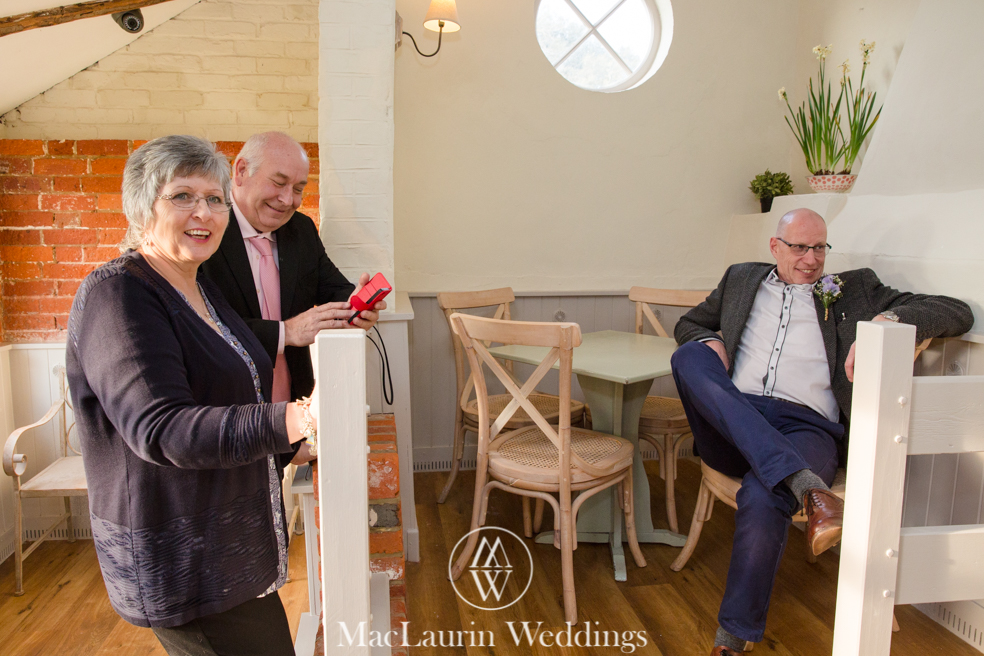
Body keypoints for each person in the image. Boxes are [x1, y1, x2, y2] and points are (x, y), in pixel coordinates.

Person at [670, 208, 974, 656]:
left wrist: (889, 321)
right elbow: (690, 323)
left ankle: (730, 641)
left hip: (807, 426)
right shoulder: (741, 279)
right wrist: (707, 338)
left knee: (762, 494)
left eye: (820, 247)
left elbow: (957, 311)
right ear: (775, 247)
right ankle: (806, 484)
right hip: (734, 419)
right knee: (687, 358)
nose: (812, 259)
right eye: (799, 247)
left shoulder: (856, 288)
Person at [67, 135, 319, 655]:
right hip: (186, 563)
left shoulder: (201, 287)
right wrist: (298, 419)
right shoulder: (119, 294)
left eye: (214, 198)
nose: (203, 211)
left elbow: (234, 392)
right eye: (182, 196)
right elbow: (163, 430)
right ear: (142, 207)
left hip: (230, 551)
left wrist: (292, 445)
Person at [200, 132, 384, 435]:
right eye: (279, 182)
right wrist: (288, 332)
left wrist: (361, 304)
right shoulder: (204, 230)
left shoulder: (301, 229)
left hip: (295, 407)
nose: (288, 200)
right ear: (241, 171)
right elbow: (206, 326)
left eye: (298, 188)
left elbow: (334, 288)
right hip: (228, 412)